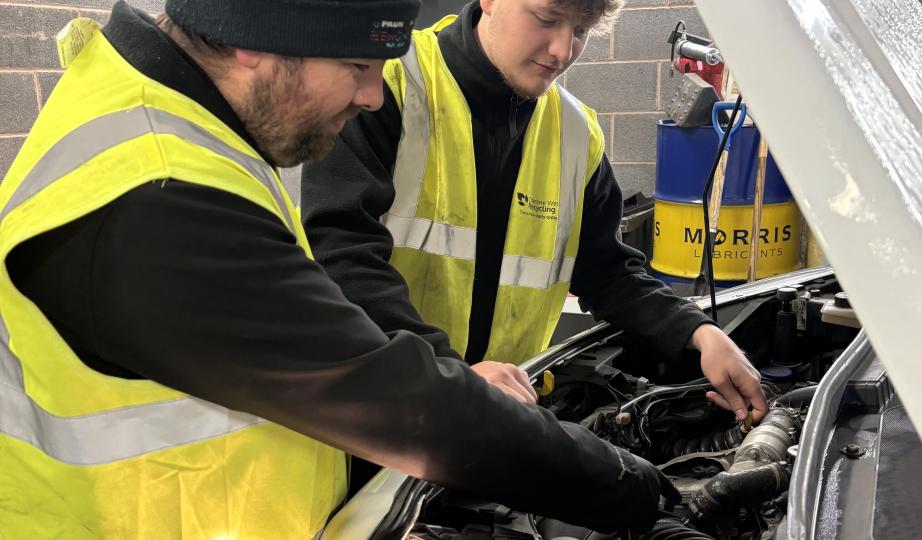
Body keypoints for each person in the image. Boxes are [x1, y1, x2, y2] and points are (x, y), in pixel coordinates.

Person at [0, 0, 681, 537]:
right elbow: (401, 403)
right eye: (359, 65)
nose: (374, 98)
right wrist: (633, 487)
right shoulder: (155, 196)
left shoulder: (181, 125)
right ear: (252, 39)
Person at [301, 0, 767, 417]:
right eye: (547, 19)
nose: (563, 50)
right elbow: (338, 253)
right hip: (375, 409)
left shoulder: (575, 133)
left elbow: (608, 270)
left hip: (500, 413)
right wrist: (445, 373)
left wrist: (700, 333)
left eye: (581, 30)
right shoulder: (385, 84)